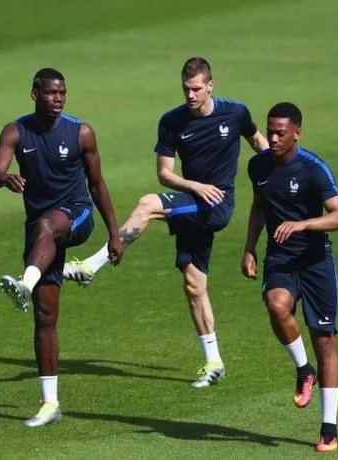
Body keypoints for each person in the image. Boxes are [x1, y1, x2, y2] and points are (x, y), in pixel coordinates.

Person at [63, 57, 269, 388]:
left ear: (211, 86)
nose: (190, 95)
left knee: (148, 204)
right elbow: (164, 174)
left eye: (197, 89)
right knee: (194, 284)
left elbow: (258, 142)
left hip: (217, 205)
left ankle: (91, 266)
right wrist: (195, 186)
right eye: (186, 89)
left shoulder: (235, 113)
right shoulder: (172, 121)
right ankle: (214, 362)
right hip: (193, 201)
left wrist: (279, 170)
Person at [0, 68, 123, 427]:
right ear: (35, 94)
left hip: (77, 216)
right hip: (40, 235)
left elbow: (97, 184)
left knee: (49, 224)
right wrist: (5, 178)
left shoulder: (81, 132)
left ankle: (25, 284)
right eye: (51, 93)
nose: (58, 99)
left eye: (62, 93)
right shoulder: (16, 132)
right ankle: (50, 404)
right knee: (45, 317)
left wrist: (114, 234)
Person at [242, 102, 338, 453]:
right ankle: (304, 370)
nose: (273, 138)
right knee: (276, 304)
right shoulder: (258, 166)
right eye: (270, 131)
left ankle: (329, 429)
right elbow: (259, 206)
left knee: (324, 342)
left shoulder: (314, 169)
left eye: (280, 133)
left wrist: (302, 224)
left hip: (316, 262)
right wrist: (249, 247)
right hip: (280, 258)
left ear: (297, 133)